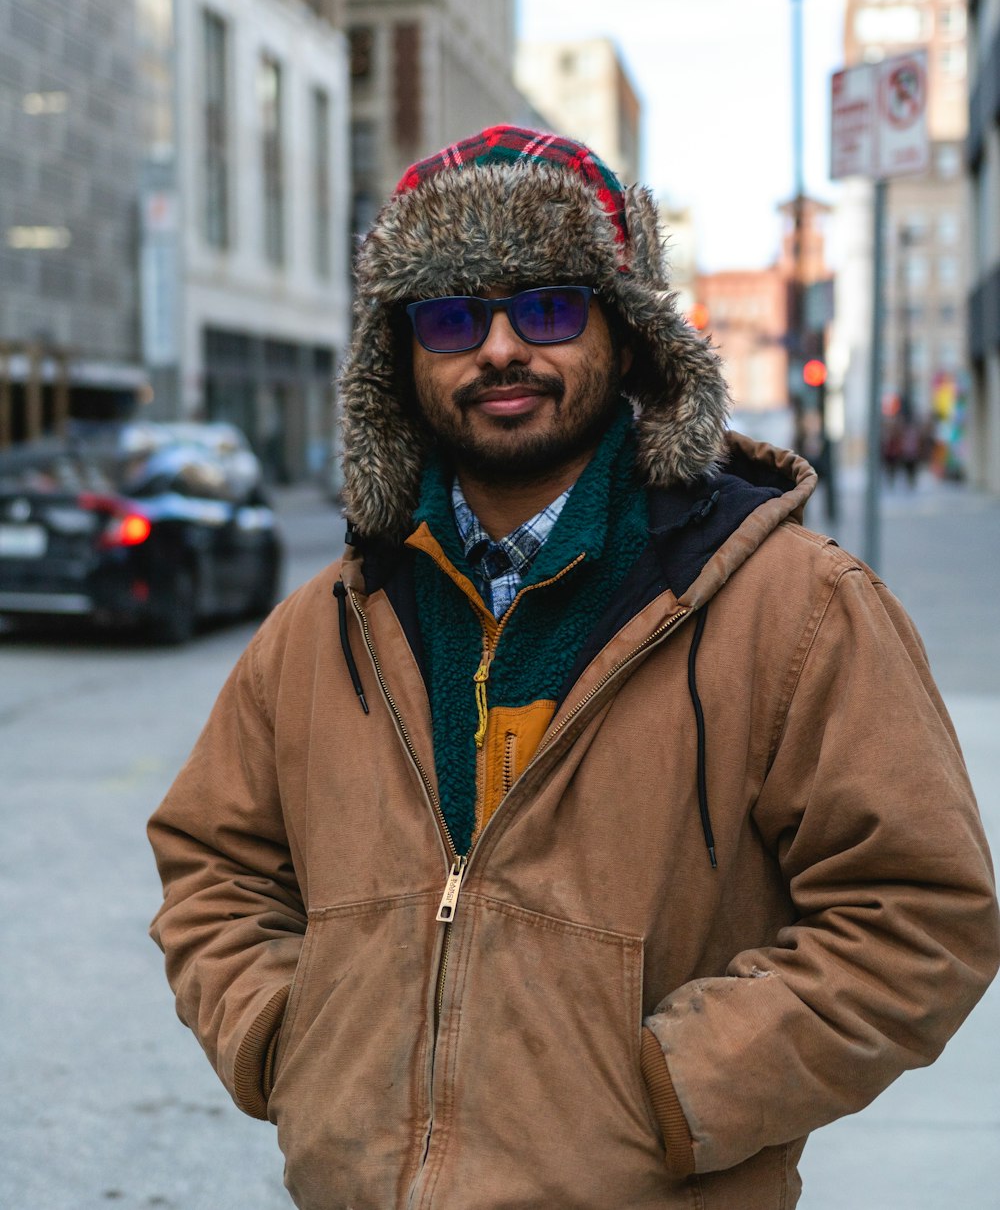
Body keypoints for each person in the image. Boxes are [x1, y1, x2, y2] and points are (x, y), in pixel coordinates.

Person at [148, 126, 999, 1210]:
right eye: (451, 317)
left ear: (630, 337)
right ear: (402, 365)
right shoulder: (323, 626)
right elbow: (211, 866)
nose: (499, 348)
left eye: (546, 306)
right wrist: (285, 1038)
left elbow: (918, 917)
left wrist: (675, 1088)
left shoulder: (798, 609)